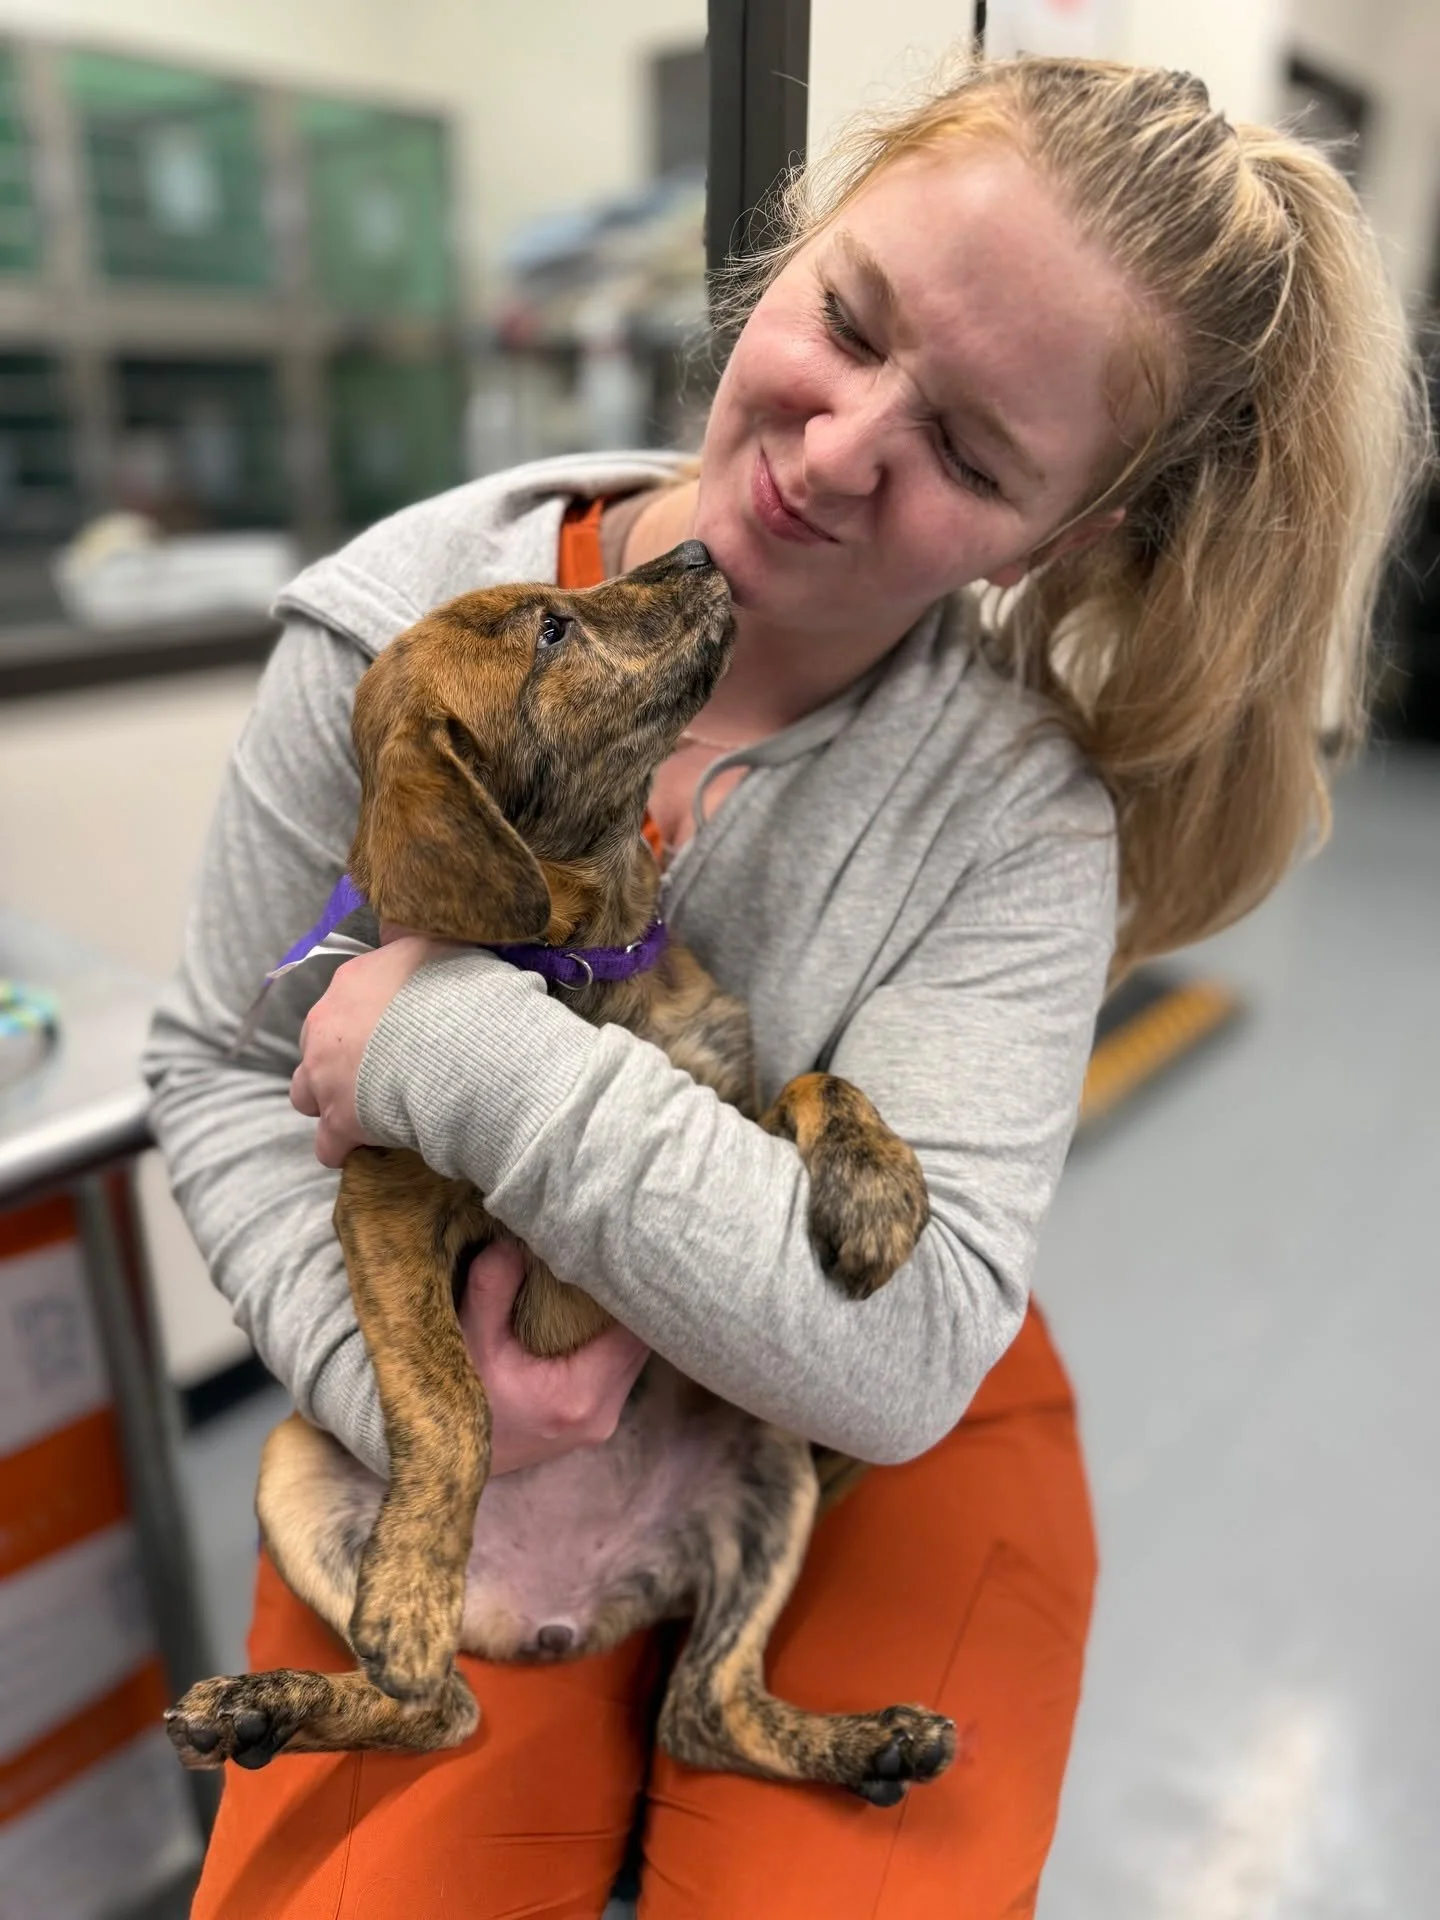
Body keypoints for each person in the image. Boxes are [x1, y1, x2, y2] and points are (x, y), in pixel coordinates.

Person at [145, 54, 1425, 1920]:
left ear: (1069, 539)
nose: (834, 452)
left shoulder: (1011, 816)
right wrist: (426, 1411)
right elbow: (215, 1060)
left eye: (973, 456)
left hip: (849, 1376)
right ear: (790, 239)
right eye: (849, 317)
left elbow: (901, 1351)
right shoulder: (390, 635)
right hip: (490, 1383)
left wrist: (447, 1036)